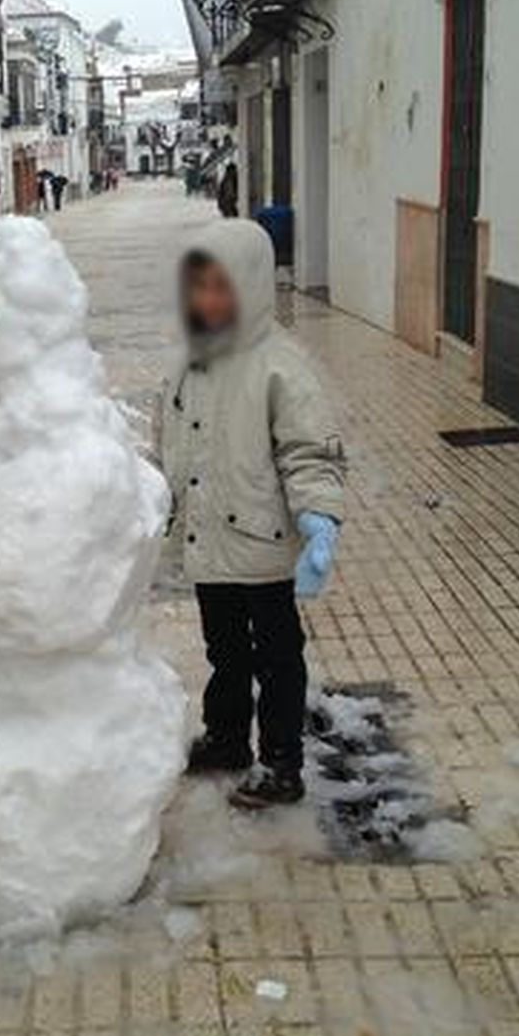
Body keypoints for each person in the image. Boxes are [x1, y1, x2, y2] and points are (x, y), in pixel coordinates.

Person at [156, 221, 345, 809]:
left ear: (252, 287)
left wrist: (318, 517)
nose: (207, 299)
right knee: (224, 651)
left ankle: (282, 761)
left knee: (278, 658)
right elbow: (169, 445)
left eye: (222, 287)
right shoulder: (189, 363)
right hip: (208, 541)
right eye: (199, 287)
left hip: (262, 548)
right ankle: (229, 738)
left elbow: (309, 451)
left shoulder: (281, 366)